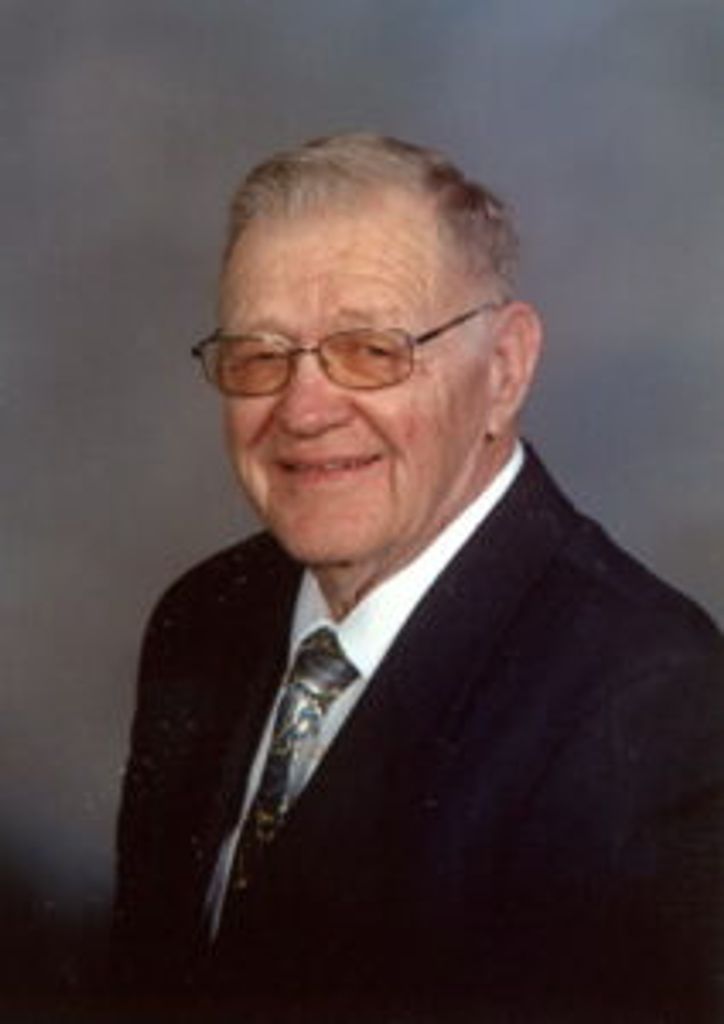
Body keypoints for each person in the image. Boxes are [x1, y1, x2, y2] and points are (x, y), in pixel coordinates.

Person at [112, 133, 724, 1023]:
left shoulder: (651, 702)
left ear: (504, 370)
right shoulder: (202, 619)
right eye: (259, 355)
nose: (304, 410)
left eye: (371, 350)